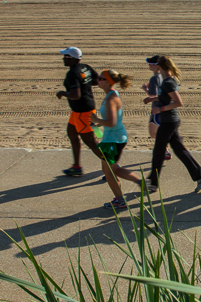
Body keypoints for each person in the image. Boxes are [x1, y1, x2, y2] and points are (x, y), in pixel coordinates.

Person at [147, 56, 201, 193]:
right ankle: (200, 175)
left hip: (169, 121)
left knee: (158, 151)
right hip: (170, 120)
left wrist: (160, 109)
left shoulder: (167, 82)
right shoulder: (168, 80)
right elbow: (166, 97)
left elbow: (178, 102)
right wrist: (153, 98)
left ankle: (152, 183)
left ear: (159, 67)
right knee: (179, 150)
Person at [91, 70, 142, 209]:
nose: (98, 80)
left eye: (101, 78)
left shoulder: (111, 98)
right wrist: (98, 123)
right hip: (114, 138)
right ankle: (141, 182)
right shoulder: (111, 94)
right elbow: (112, 120)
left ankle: (120, 200)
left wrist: (96, 119)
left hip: (112, 140)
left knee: (108, 173)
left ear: (108, 81)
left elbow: (112, 122)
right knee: (112, 169)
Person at [56, 46, 103, 176]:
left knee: (92, 142)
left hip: (83, 113)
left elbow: (76, 95)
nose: (63, 58)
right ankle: (76, 166)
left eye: (66, 56)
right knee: (71, 133)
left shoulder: (72, 73)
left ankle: (113, 167)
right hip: (83, 110)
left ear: (72, 59)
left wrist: (63, 93)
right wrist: (85, 84)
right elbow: (97, 80)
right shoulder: (85, 67)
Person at [141, 55, 171, 161]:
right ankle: (165, 151)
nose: (149, 65)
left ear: (156, 66)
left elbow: (152, 96)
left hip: (157, 110)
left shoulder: (154, 78)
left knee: (153, 134)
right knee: (159, 132)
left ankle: (164, 151)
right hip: (165, 108)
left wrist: (145, 89)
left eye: (150, 63)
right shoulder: (163, 76)